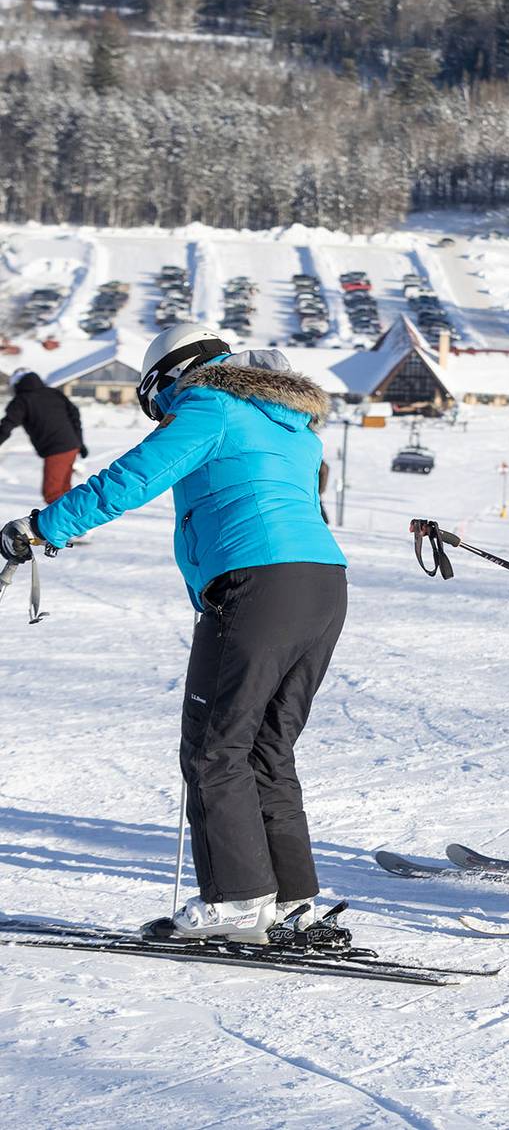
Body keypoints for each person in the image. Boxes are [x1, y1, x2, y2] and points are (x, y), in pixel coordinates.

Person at [0, 323, 347, 942]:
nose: (162, 416)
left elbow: (131, 479)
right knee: (267, 747)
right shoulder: (289, 423)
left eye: (158, 403)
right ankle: (294, 902)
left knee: (216, 747)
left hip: (258, 585)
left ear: (170, 378)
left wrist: (38, 530)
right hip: (322, 586)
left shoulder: (210, 405)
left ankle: (238, 902)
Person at [0, 368, 88, 503]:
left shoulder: (22, 400)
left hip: (56, 449)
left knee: (52, 493)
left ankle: (60, 523)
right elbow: (74, 416)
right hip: (72, 446)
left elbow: (7, 425)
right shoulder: (53, 393)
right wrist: (80, 443)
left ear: (18, 385)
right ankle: (70, 520)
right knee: (64, 489)